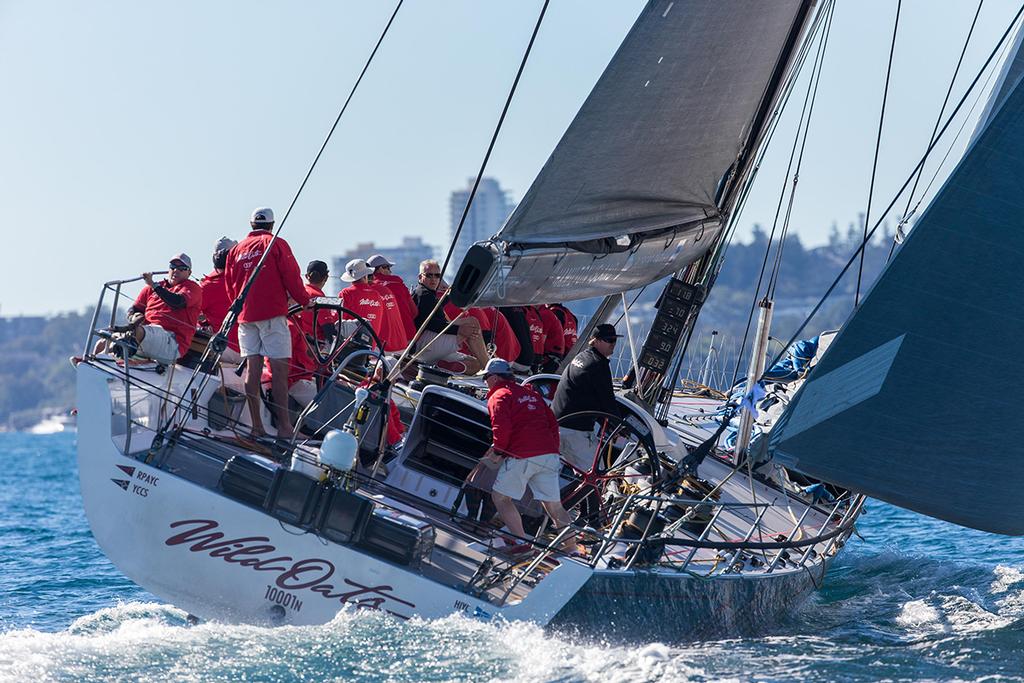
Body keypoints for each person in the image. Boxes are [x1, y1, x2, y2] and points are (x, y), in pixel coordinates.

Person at [224, 207, 310, 439]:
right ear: (272, 225)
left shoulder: (235, 250)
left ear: (251, 224)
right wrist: (305, 301)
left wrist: (241, 309)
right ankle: (284, 428)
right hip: (272, 315)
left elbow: (230, 287)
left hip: (245, 318)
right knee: (280, 371)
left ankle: (256, 427)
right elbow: (291, 276)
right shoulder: (276, 244)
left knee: (252, 370)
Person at [481, 358, 577, 551]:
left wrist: (499, 452)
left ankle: (521, 541)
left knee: (500, 498)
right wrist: (552, 449)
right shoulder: (531, 394)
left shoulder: (499, 396)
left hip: (522, 455)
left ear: (495, 377)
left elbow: (501, 427)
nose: (484, 382)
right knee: (555, 507)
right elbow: (552, 424)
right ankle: (572, 549)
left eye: (485, 377)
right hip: (549, 455)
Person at [96, 253, 203, 366]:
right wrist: (134, 316)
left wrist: (154, 285)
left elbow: (177, 302)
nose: (176, 270)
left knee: (136, 332)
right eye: (173, 266)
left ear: (189, 273)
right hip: (146, 334)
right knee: (102, 343)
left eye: (182, 268)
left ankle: (123, 355)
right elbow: (133, 310)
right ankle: (93, 364)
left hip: (172, 342)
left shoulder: (192, 288)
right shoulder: (150, 289)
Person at [550, 323, 623, 473]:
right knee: (597, 475)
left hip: (555, 425)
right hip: (576, 432)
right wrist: (618, 427)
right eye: (609, 340)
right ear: (595, 341)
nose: (613, 344)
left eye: (615, 340)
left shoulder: (581, 357)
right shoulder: (598, 365)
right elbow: (607, 401)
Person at [410, 259, 488, 374]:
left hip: (428, 348)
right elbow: (430, 323)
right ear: (420, 277)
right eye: (429, 275)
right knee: (472, 323)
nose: (433, 279)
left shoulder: (423, 292)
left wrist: (449, 295)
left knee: (474, 364)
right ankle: (490, 369)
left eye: (437, 276)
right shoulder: (425, 294)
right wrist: (459, 330)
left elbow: (435, 307)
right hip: (426, 345)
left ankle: (442, 366)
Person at [198, 236, 241, 363]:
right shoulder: (244, 280)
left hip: (225, 349)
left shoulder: (208, 287)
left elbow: (187, 315)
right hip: (250, 351)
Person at [339, 258, 390, 346]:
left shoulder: (346, 293)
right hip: (372, 346)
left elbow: (339, 321)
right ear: (366, 275)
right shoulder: (376, 294)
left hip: (353, 347)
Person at [367, 254, 417, 340]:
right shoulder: (399, 285)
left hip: (382, 340)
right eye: (388, 268)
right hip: (407, 336)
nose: (390, 271)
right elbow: (414, 312)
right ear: (380, 269)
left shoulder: (369, 289)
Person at [301, 260, 338, 348]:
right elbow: (329, 330)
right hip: (317, 347)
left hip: (301, 342)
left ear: (306, 276)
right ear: (326, 278)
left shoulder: (300, 293)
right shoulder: (320, 298)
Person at [536, 304, 565, 373]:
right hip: (557, 356)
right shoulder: (549, 312)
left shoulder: (545, 314)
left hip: (550, 357)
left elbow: (540, 341)